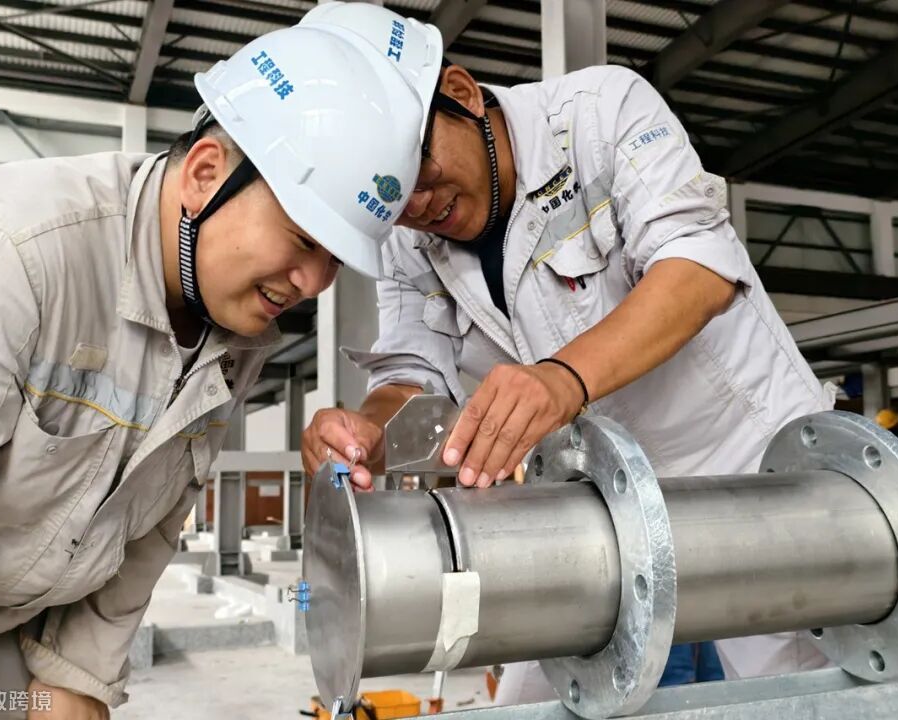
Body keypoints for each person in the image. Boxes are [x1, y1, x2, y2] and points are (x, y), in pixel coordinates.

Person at [299, 1, 836, 703]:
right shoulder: (409, 239)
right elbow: (412, 368)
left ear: (460, 93)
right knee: (534, 704)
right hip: (590, 508)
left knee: (798, 698)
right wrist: (370, 428)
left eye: (420, 169)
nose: (419, 205)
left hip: (745, 481)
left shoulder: (600, 114)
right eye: (394, 199)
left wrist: (561, 379)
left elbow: (697, 268)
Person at [0, 24, 424, 720]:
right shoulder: (8, 258)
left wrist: (79, 675)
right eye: (304, 239)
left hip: (1, 644)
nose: (313, 282)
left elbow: (152, 520)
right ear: (206, 174)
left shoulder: (234, 328)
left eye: (335, 259)